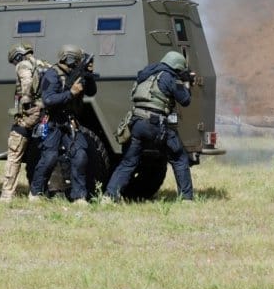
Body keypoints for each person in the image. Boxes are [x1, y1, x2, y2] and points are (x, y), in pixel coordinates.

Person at [104, 51, 195, 202]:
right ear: (177, 67)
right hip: (155, 124)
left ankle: (109, 196)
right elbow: (185, 100)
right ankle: (186, 198)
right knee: (179, 158)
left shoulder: (146, 74)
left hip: (136, 123)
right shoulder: (169, 77)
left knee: (128, 162)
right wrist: (187, 83)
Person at [29, 44, 98, 204]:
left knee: (80, 156)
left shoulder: (77, 74)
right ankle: (36, 193)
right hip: (53, 122)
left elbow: (91, 92)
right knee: (49, 157)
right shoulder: (52, 75)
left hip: (70, 121)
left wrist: (88, 75)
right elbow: (48, 100)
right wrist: (71, 93)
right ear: (70, 59)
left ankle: (79, 196)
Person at [0, 42, 48, 202]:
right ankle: (36, 194)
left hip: (28, 114)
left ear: (18, 56)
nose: (15, 64)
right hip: (43, 113)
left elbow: (27, 83)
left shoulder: (23, 65)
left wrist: (26, 103)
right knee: (39, 155)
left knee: (14, 152)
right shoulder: (42, 64)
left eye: (14, 60)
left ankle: (7, 195)